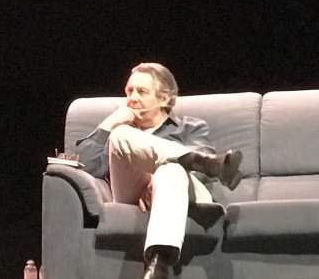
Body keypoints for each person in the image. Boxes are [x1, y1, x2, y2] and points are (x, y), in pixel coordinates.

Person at [73, 62, 243, 279]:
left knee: (170, 170)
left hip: (185, 193)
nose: (132, 97)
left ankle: (158, 264)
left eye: (141, 91)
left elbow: (199, 175)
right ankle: (209, 163)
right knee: (121, 135)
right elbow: (85, 167)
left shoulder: (189, 127)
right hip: (132, 195)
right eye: (129, 91)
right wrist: (109, 124)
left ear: (164, 98)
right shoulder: (121, 133)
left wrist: (157, 180)